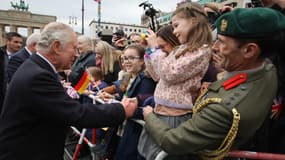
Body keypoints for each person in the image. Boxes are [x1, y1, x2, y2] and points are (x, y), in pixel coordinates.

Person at [142, 8, 285, 159]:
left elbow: (172, 141)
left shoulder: (223, 109)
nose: (214, 47)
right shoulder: (267, 68)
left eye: (221, 42)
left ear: (249, 51)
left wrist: (150, 116)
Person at [0, 22, 137, 160]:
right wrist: (121, 110)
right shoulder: (39, 76)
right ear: (57, 46)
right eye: (74, 48)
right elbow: (77, 114)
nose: (77, 55)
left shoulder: (35, 68)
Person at [138, 2, 213, 160]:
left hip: (175, 116)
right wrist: (148, 52)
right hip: (160, 111)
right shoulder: (180, 49)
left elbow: (170, 74)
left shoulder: (202, 50)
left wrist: (155, 50)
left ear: (193, 21)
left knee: (165, 156)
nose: (174, 31)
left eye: (176, 25)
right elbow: (157, 75)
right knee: (149, 155)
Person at [0, 32, 23, 112]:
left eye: (20, 43)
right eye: (16, 42)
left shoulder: (25, 58)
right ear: (7, 41)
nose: (19, 45)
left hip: (16, 96)